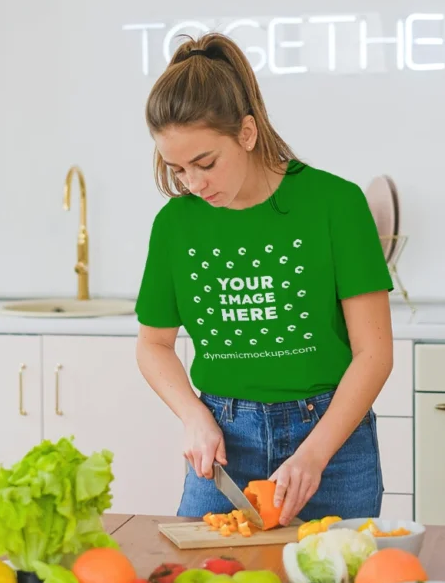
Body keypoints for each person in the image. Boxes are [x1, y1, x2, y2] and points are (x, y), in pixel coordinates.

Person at [135, 32, 393, 526]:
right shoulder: (175, 224)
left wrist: (314, 455)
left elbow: (375, 353)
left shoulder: (335, 204)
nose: (193, 183)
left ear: (247, 134)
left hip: (333, 441)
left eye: (205, 163)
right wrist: (193, 416)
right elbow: (154, 345)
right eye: (178, 168)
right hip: (226, 443)